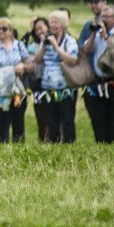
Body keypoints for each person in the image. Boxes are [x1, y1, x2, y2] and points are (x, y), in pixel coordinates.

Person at [81, 4, 114, 144]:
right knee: (99, 119)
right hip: (99, 82)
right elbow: (87, 51)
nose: (103, 20)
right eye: (101, 18)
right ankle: (101, 146)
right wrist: (93, 34)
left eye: (106, 18)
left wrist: (106, 36)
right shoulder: (96, 34)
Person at [37, 10, 80, 143]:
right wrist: (44, 46)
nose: (52, 25)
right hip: (48, 87)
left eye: (55, 22)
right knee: (51, 122)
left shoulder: (70, 41)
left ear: (62, 24)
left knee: (67, 120)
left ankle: (69, 145)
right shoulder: (47, 40)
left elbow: (73, 60)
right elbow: (37, 60)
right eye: (51, 22)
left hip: (65, 88)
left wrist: (57, 47)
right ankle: (54, 145)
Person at [0, 18, 28, 143]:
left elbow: (29, 65)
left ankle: (19, 150)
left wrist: (23, 67)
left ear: (11, 31)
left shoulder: (20, 46)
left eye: (4, 29)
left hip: (17, 91)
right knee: (0, 125)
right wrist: (12, 69)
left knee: (18, 123)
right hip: (0, 91)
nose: (0, 32)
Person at [22, 16, 51, 141]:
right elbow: (20, 47)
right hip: (38, 84)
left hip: (53, 84)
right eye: (36, 29)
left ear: (48, 27)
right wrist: (28, 32)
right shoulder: (31, 47)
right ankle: (43, 140)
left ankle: (57, 140)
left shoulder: (55, 41)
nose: (39, 31)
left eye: (41, 27)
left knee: (55, 117)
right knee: (41, 117)